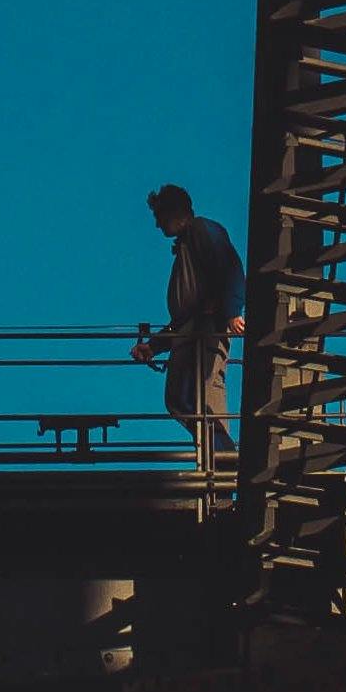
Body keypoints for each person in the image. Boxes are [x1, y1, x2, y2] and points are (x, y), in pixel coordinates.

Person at [140, 184, 241, 477]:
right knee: (180, 399)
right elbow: (184, 313)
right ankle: (221, 459)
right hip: (189, 332)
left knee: (202, 397)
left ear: (176, 213)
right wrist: (155, 345)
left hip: (205, 332)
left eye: (161, 216)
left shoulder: (201, 230)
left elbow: (230, 268)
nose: (158, 224)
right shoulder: (187, 246)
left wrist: (232, 311)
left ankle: (224, 465)